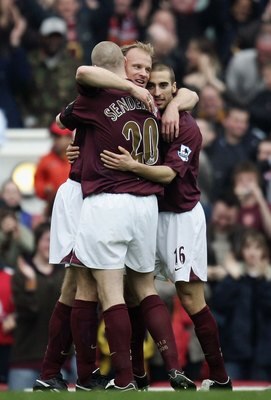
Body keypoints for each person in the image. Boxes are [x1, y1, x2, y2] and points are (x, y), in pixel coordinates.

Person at [34, 40, 199, 392]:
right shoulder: (110, 94)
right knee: (84, 285)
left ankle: (91, 375)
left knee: (96, 288)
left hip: (107, 198)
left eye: (146, 69)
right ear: (120, 65)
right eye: (136, 67)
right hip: (93, 193)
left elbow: (188, 95)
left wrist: (169, 106)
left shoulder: (144, 99)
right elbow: (65, 116)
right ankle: (67, 373)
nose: (142, 75)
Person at [100, 62, 232, 390]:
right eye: (153, 85)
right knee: (134, 293)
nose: (157, 92)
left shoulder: (186, 128)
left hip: (181, 216)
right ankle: (138, 375)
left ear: (173, 89)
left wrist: (131, 165)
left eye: (164, 86)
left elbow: (169, 175)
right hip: (148, 214)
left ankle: (219, 376)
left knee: (189, 297)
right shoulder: (143, 114)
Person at [8, 222, 65, 391]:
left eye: (54, 241)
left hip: (59, 361)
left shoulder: (65, 272)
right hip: (26, 357)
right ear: (37, 242)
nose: (50, 245)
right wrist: (31, 283)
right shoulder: (22, 273)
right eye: (47, 240)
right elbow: (27, 312)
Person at [212, 228, 271, 381]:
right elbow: (219, 302)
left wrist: (262, 279)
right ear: (241, 251)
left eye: (257, 248)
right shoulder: (234, 276)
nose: (252, 253)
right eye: (248, 247)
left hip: (264, 354)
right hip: (235, 351)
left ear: (264, 252)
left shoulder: (267, 279)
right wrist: (234, 278)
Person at [34, 120, 73, 218]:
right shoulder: (45, 160)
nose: (55, 140)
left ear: (69, 138)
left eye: (58, 137)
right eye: (54, 137)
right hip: (53, 208)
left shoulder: (78, 158)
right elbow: (37, 184)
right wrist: (44, 189)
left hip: (75, 207)